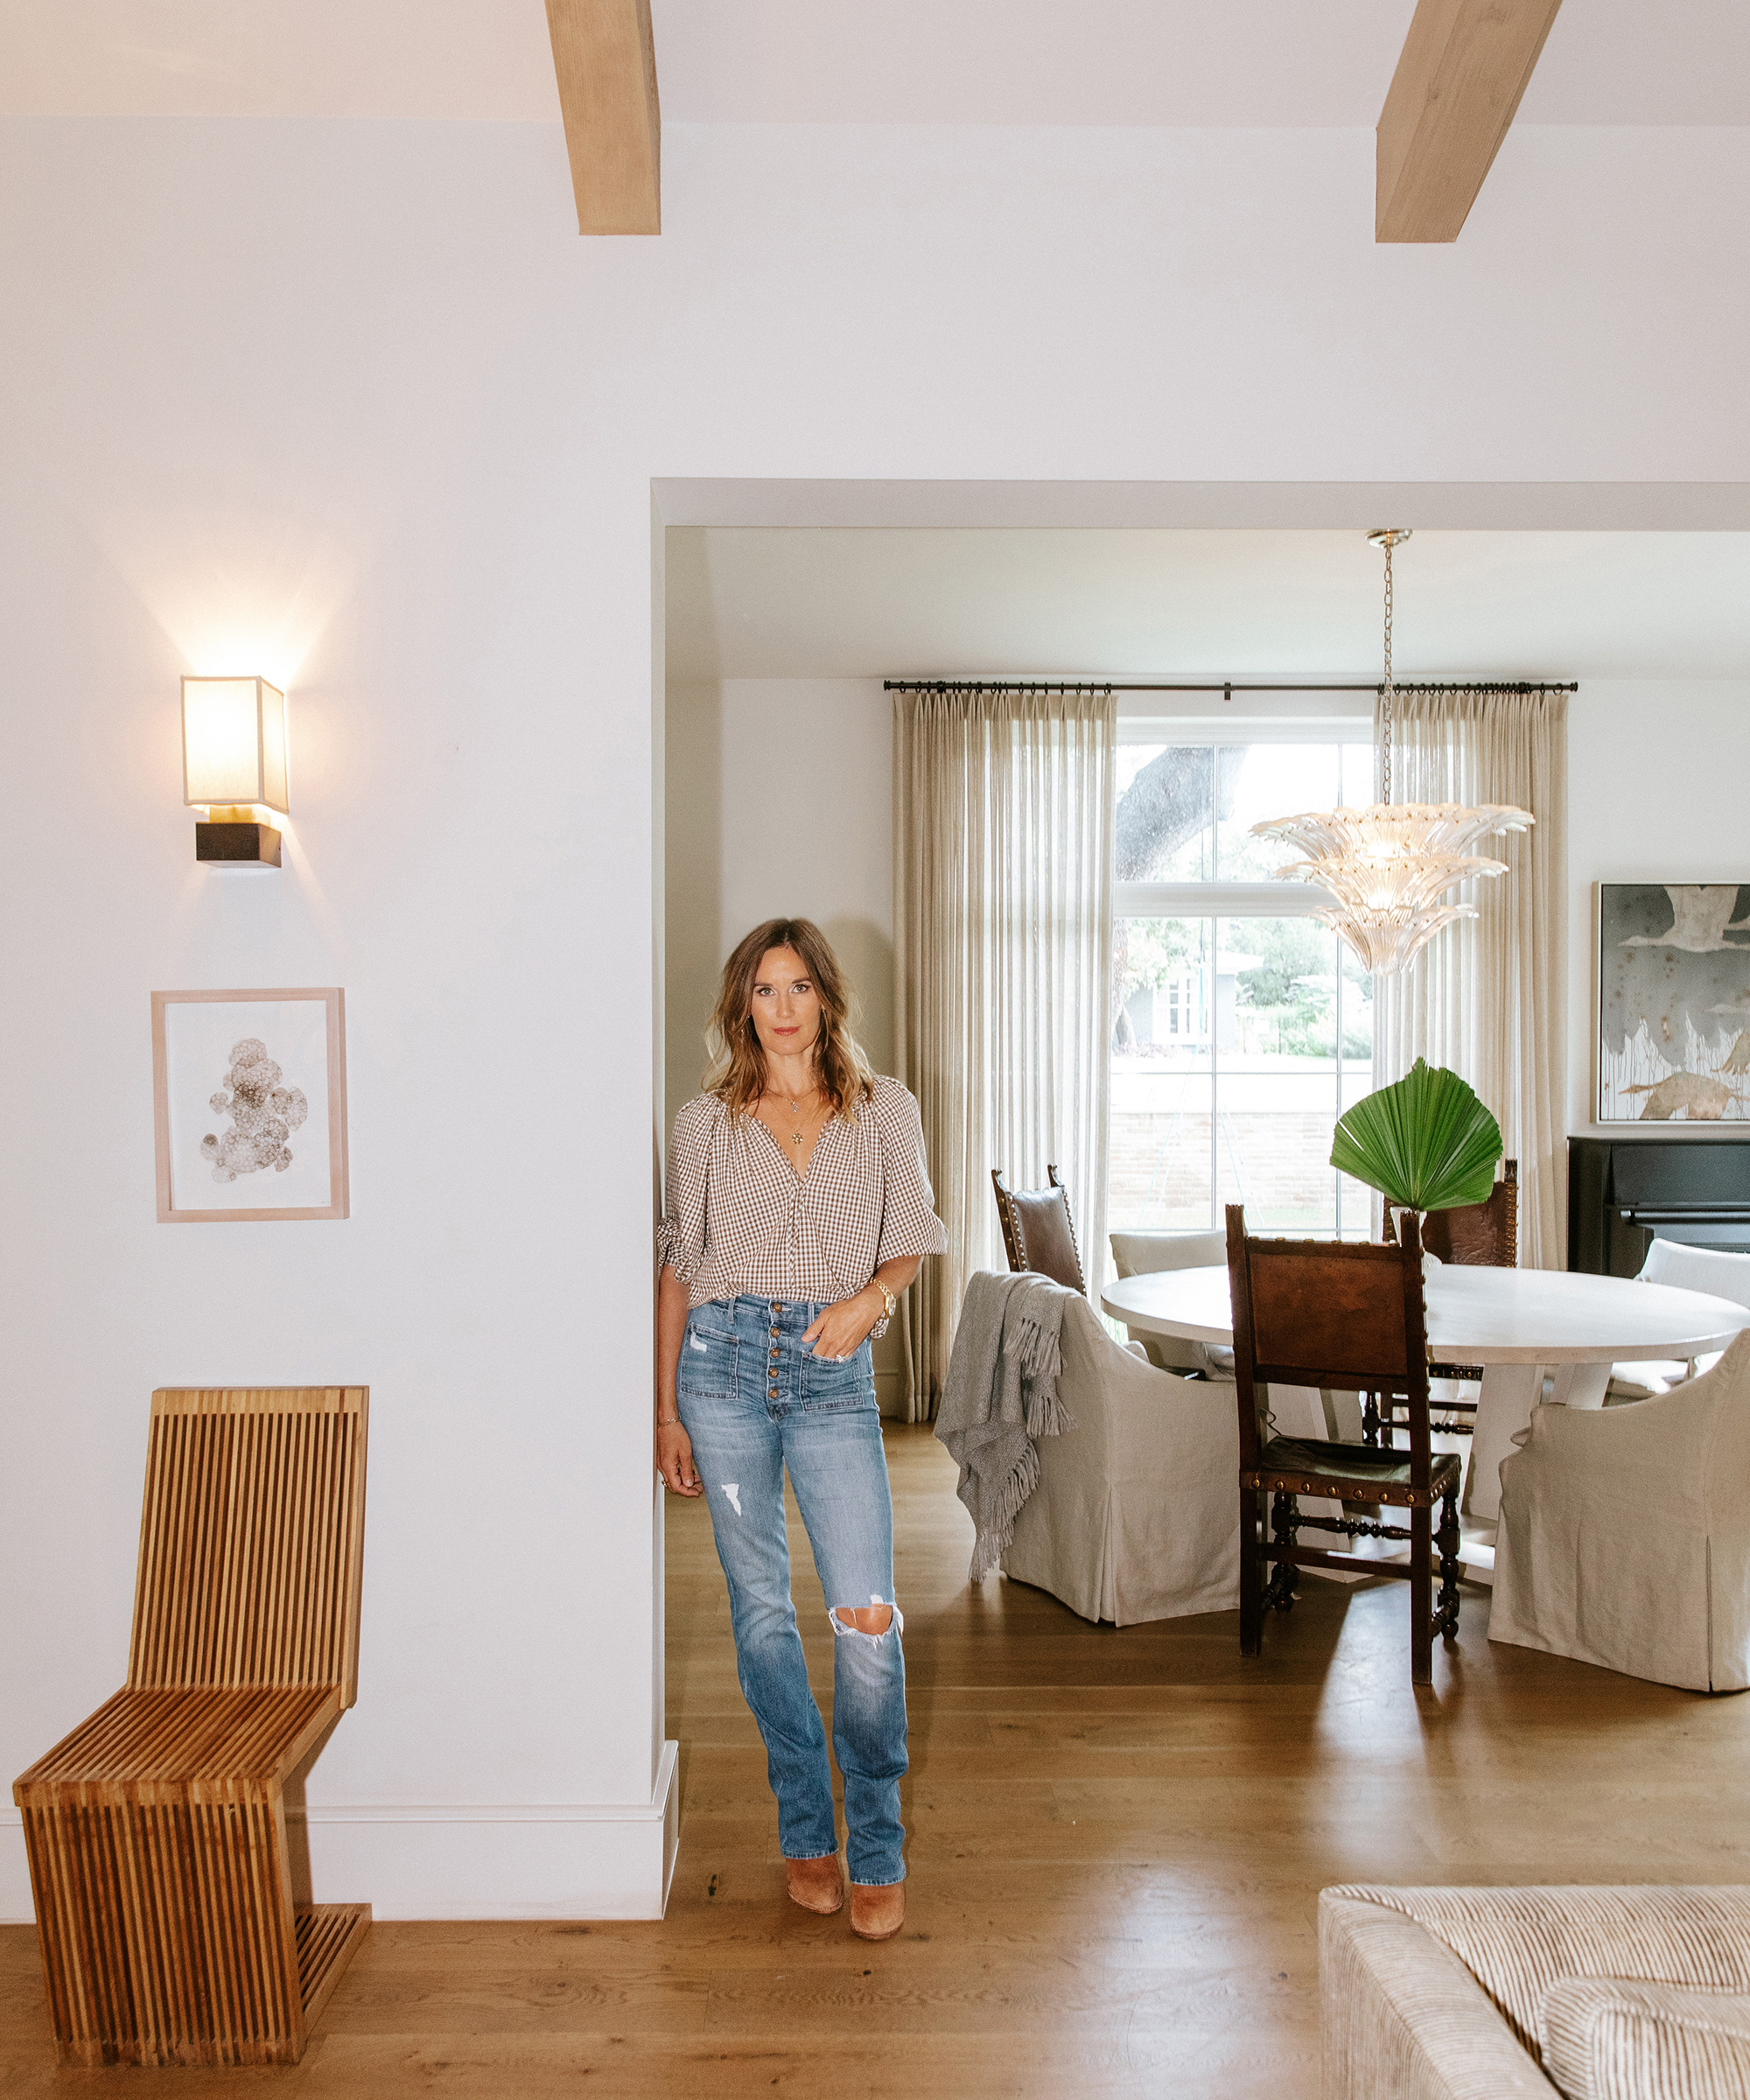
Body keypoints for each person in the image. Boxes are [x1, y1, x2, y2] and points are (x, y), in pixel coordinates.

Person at [656, 918, 947, 1942]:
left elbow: (911, 1240)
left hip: (831, 1377)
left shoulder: (882, 1112)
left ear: (826, 997)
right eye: (762, 990)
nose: (781, 1008)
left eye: (797, 987)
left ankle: (876, 1841)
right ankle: (806, 1834)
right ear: (744, 1006)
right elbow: (679, 1272)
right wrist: (663, 1413)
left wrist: (874, 1299)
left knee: (865, 1616)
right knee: (761, 1617)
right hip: (721, 1374)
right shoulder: (704, 1122)